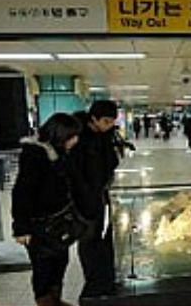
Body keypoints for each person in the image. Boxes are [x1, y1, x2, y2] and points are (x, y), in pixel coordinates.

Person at [12, 113, 81, 306]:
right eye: (71, 136)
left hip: (57, 222)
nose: (75, 140)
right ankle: (45, 302)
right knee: (44, 269)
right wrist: (21, 227)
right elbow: (22, 192)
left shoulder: (60, 153)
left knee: (60, 263)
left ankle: (55, 300)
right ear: (59, 134)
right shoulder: (34, 155)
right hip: (39, 225)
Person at [70, 101, 120, 297]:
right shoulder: (79, 138)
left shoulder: (104, 136)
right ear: (93, 119)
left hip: (99, 194)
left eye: (111, 122)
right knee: (88, 237)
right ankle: (91, 281)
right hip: (84, 198)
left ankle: (99, 273)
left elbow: (110, 162)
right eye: (106, 121)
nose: (109, 125)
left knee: (98, 234)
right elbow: (76, 171)